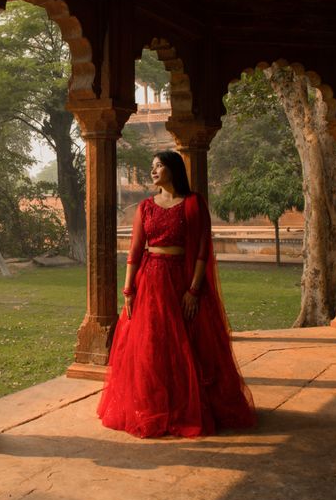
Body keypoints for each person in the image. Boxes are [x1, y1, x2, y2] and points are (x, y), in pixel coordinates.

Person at [97, 150, 257, 438]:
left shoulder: (193, 204)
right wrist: (128, 290)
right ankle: (155, 407)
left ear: (173, 169)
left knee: (190, 345)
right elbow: (134, 252)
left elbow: (201, 250)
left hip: (182, 282)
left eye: (159, 166)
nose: (153, 170)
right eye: (152, 166)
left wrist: (194, 291)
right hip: (150, 282)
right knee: (152, 345)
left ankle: (188, 407)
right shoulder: (145, 207)